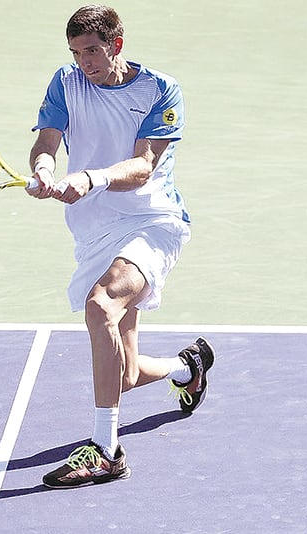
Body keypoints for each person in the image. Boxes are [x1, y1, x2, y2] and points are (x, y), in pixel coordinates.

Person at [27, 4, 215, 488]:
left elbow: (142, 168)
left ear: (117, 44)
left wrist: (90, 177)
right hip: (94, 229)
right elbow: (47, 140)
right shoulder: (66, 83)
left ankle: (106, 451)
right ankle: (187, 366)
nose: (84, 62)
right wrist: (45, 169)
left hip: (152, 221)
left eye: (92, 50)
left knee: (100, 305)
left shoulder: (160, 89)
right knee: (125, 374)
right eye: (75, 52)